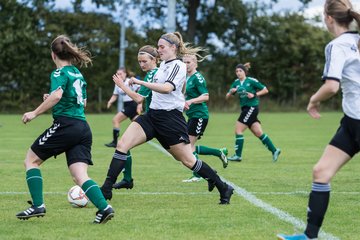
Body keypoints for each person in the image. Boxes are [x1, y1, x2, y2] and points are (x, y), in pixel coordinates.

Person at [100, 32, 234, 204]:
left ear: (173, 47)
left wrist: (140, 82)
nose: (159, 49)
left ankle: (223, 187)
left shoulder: (178, 66)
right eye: (158, 46)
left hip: (170, 120)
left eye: (162, 46)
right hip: (151, 116)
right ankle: (106, 189)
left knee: (187, 160)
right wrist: (125, 86)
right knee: (122, 144)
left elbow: (166, 88)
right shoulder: (162, 65)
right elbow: (141, 98)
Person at [278, 1, 360, 239]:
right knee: (321, 172)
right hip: (352, 122)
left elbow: (332, 86)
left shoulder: (338, 45)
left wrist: (313, 101)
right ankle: (309, 235)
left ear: (328, 18)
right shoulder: (354, 41)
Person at [16, 35, 114, 224]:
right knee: (80, 175)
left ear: (53, 55)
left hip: (66, 125)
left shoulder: (59, 73)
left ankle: (38, 206)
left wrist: (34, 113)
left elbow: (58, 95)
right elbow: (82, 102)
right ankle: (105, 208)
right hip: (83, 127)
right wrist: (52, 97)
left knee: (31, 160)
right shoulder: (77, 73)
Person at [112, 45, 159, 190]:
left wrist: (122, 85)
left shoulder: (153, 73)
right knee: (124, 144)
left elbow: (138, 98)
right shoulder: (151, 74)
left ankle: (216, 180)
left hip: (161, 121)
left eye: (144, 61)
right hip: (151, 118)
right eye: (140, 62)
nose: (141, 64)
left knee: (186, 157)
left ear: (154, 59)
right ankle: (127, 179)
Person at [182, 54, 229, 183]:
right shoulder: (187, 77)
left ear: (195, 64)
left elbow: (206, 96)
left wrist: (191, 101)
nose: (186, 65)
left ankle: (197, 175)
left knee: (188, 146)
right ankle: (219, 152)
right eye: (184, 62)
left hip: (200, 116)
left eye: (188, 62)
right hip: (192, 115)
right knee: (187, 146)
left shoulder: (198, 78)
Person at [225, 62, 281, 162]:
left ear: (245, 72)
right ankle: (275, 150)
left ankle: (238, 156)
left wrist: (254, 95)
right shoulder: (236, 83)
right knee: (258, 133)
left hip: (251, 108)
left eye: (240, 71)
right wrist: (231, 92)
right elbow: (227, 97)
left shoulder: (251, 81)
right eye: (236, 71)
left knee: (238, 130)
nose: (238, 73)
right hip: (245, 109)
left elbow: (265, 90)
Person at [105, 67, 139, 148]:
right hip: (127, 105)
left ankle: (115, 142)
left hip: (132, 104)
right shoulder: (118, 83)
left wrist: (140, 103)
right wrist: (110, 101)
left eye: (120, 74)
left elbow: (140, 90)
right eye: (117, 74)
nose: (119, 75)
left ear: (125, 74)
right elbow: (115, 95)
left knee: (116, 120)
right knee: (138, 122)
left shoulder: (129, 81)